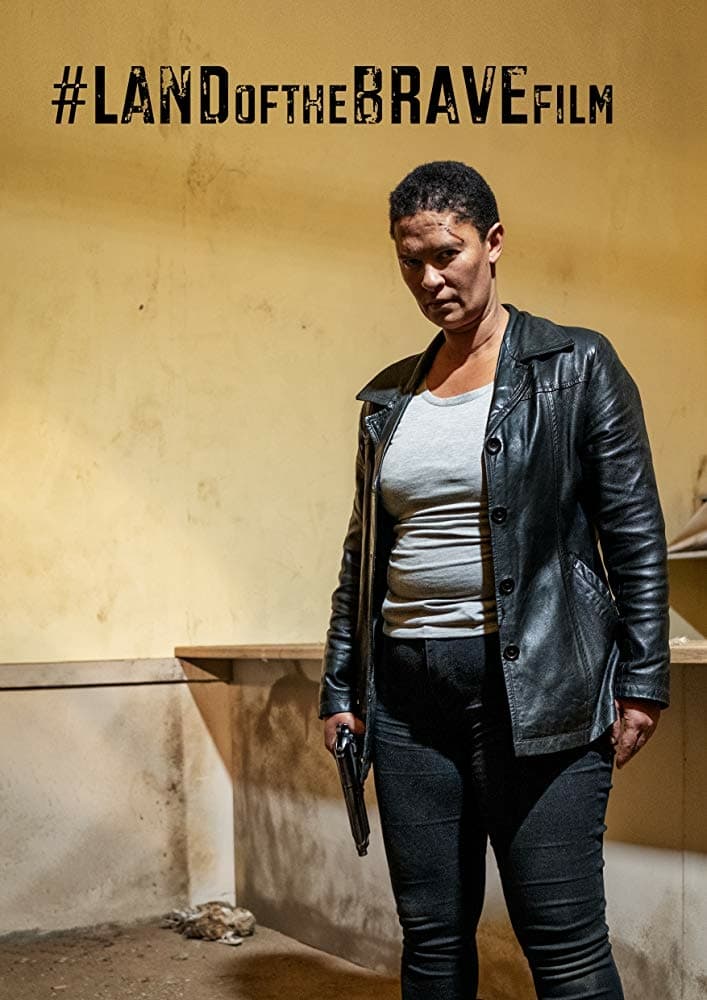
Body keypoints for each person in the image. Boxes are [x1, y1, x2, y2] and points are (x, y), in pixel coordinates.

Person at [319, 161, 669, 1000]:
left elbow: (633, 531)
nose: (429, 279)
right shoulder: (390, 399)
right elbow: (363, 554)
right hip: (406, 699)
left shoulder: (575, 364)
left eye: (446, 253)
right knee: (431, 938)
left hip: (536, 687)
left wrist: (643, 679)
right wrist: (340, 683)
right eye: (410, 261)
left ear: (494, 242)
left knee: (564, 946)